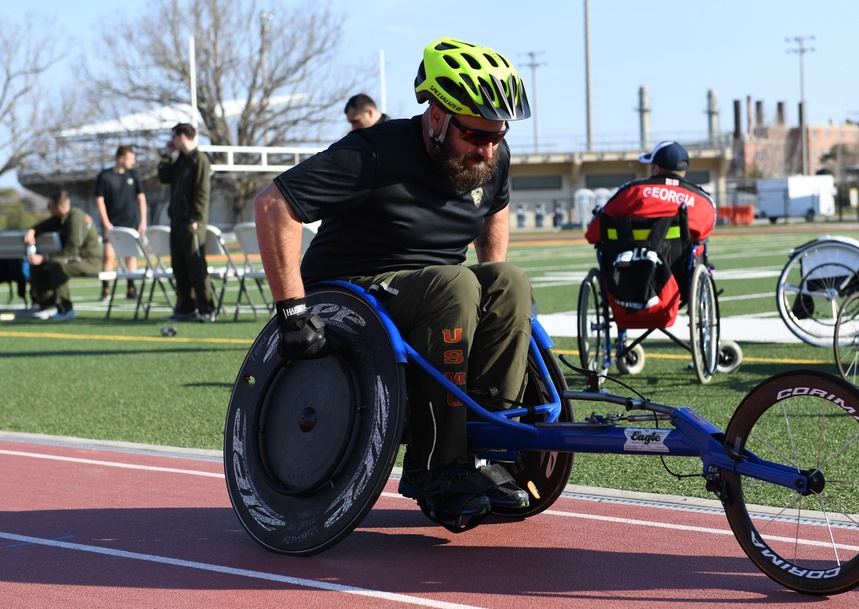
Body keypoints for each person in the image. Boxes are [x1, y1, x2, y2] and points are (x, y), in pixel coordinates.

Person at [253, 37, 533, 529]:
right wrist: (292, 311)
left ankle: (491, 448)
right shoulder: (372, 152)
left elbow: (497, 209)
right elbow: (273, 205)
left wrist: (493, 280)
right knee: (456, 286)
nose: (488, 149)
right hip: (354, 287)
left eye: (498, 135)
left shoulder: (492, 155)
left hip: (434, 288)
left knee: (507, 282)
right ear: (438, 115)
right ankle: (438, 467)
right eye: (475, 136)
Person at [584, 141, 716, 328]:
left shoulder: (631, 191)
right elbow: (704, 235)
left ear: (655, 168)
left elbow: (593, 234)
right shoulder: (702, 200)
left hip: (624, 283)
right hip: (676, 284)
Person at [157, 122, 216, 323]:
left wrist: (196, 218)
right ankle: (185, 307)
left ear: (182, 136)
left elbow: (202, 191)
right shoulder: (180, 161)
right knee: (179, 266)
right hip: (177, 220)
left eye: (174, 137)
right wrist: (166, 155)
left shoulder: (199, 159)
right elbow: (163, 177)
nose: (172, 141)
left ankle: (207, 308)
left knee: (196, 265)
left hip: (192, 222)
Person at [23, 190, 102, 320]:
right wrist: (32, 231)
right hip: (74, 259)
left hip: (89, 261)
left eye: (49, 207)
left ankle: (66, 309)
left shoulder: (76, 218)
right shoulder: (61, 218)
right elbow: (43, 226)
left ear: (58, 208)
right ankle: (48, 306)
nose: (48, 210)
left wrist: (44, 258)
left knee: (56, 265)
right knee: (36, 265)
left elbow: (71, 251)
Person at [94, 145, 147, 301]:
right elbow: (99, 199)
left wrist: (143, 221)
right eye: (131, 158)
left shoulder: (134, 175)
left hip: (130, 223)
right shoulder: (105, 176)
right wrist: (106, 222)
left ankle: (131, 288)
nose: (133, 162)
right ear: (121, 159)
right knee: (108, 254)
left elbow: (141, 198)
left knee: (130, 256)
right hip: (112, 224)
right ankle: (105, 289)